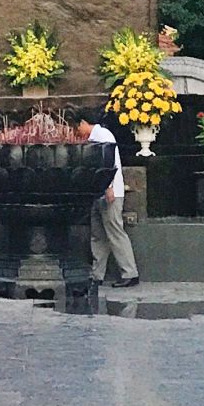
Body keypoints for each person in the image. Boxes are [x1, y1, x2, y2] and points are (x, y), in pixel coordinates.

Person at [75, 116, 139, 288]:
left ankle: (130, 272)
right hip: (98, 193)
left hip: (110, 192)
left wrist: (109, 186)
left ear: (84, 122)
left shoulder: (104, 135)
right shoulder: (93, 139)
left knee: (115, 231)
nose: (78, 133)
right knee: (98, 235)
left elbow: (110, 162)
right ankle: (97, 274)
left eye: (77, 128)